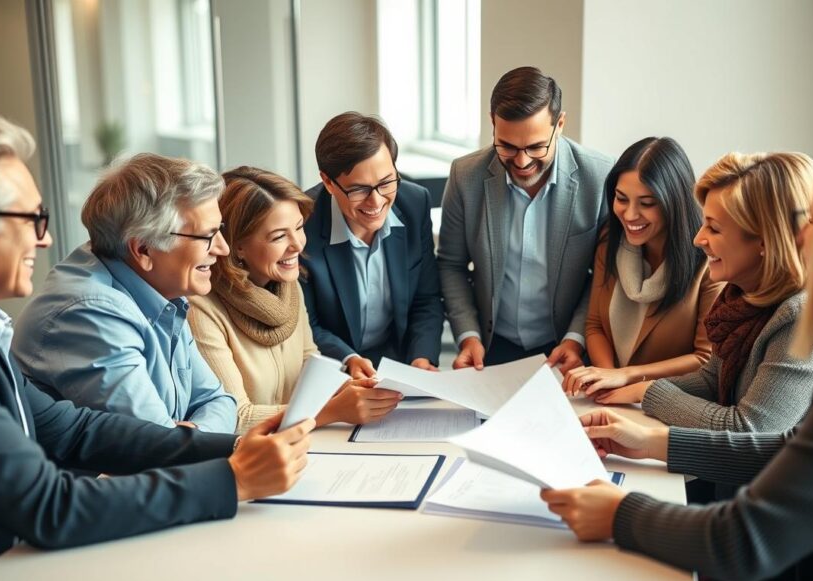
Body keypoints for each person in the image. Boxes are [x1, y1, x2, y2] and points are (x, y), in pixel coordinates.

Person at [0, 115, 313, 581]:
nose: (44, 238)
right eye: (32, 220)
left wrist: (233, 446)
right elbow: (49, 505)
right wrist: (234, 479)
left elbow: (74, 430)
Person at [541, 138, 813, 581]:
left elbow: (743, 541)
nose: (802, 235)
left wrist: (619, 514)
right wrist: (654, 443)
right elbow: (791, 446)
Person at [590, 151, 813, 433]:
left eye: (714, 229)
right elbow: (713, 378)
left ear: (766, 240)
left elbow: (749, 428)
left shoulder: (801, 316)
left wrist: (647, 394)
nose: (698, 239)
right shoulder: (740, 294)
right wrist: (634, 385)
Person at [12, 153, 237, 432]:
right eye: (208, 235)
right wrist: (185, 440)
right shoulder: (89, 311)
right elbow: (154, 443)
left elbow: (220, 401)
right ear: (143, 249)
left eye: (220, 230)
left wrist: (191, 436)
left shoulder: (163, 290)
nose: (223, 248)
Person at [189, 166, 403, 433]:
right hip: (252, 458)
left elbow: (306, 363)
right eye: (279, 236)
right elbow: (237, 417)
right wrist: (331, 410)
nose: (298, 245)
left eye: (299, 228)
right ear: (237, 245)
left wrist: (344, 387)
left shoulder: (289, 287)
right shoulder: (201, 310)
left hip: (300, 443)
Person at [438, 66, 614, 372]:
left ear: (560, 124)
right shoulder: (465, 176)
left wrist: (576, 338)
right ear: (492, 123)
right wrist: (468, 336)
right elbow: (451, 264)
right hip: (491, 345)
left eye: (535, 147)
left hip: (566, 346)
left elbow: (603, 276)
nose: (521, 161)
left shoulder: (600, 177)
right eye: (507, 146)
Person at [563, 137, 723, 396]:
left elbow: (704, 358)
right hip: (611, 396)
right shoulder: (609, 241)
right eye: (621, 198)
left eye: (647, 203)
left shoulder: (709, 259)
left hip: (666, 400)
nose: (629, 214)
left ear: (674, 202)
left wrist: (623, 377)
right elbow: (594, 325)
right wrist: (603, 379)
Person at [301, 112, 444, 378]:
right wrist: (348, 359)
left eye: (386, 182)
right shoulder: (301, 225)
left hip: (399, 364)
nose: (376, 202)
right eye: (359, 189)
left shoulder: (415, 203)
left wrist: (421, 357)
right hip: (331, 369)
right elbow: (307, 324)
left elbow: (426, 299)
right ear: (328, 182)